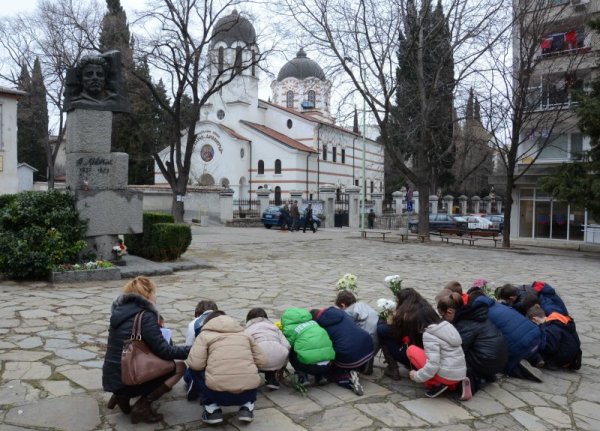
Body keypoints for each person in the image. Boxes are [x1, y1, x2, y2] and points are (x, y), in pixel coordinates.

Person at [102, 276, 189, 424]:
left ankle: (121, 397)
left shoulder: (119, 312)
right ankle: (142, 406)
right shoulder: (145, 316)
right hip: (128, 379)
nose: (156, 296)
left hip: (113, 377)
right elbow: (164, 351)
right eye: (154, 292)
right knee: (179, 367)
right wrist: (191, 349)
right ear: (148, 294)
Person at [186, 311, 267, 425]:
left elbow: (195, 365)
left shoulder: (204, 336)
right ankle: (247, 407)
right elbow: (262, 361)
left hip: (217, 394)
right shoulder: (245, 334)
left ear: (208, 323)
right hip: (247, 392)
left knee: (192, 369)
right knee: (252, 365)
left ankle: (212, 409)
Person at [391, 290, 468, 399]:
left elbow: (433, 364)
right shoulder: (447, 325)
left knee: (411, 350)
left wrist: (417, 376)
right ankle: (451, 384)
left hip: (447, 375)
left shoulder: (429, 334)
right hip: (460, 372)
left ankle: (437, 383)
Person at [437, 290, 509, 397]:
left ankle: (472, 381)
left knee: (454, 356)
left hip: (488, 361)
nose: (443, 320)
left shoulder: (464, 324)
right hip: (500, 359)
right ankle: (484, 376)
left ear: (450, 311)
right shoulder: (473, 314)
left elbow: (458, 349)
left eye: (442, 316)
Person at [468, 287, 543, 382]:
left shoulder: (482, 314)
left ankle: (520, 369)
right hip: (537, 336)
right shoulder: (500, 305)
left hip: (521, 347)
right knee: (521, 338)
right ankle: (536, 358)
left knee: (502, 364)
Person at [312, 306, 374, 395]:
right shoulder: (339, 312)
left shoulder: (320, 326)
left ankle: (346, 378)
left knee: (329, 369)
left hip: (348, 353)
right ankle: (361, 366)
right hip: (368, 345)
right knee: (346, 342)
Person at [281, 307, 335, 386]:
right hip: (327, 365)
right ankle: (320, 376)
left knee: (292, 351)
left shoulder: (291, 330)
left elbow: (287, 345)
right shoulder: (315, 324)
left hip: (309, 367)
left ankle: (303, 377)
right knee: (315, 347)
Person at [244, 307, 291, 390]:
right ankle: (271, 378)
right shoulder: (274, 328)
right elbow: (287, 345)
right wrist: (283, 362)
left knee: (250, 353)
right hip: (279, 360)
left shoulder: (248, 330)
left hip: (260, 362)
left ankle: (252, 379)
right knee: (271, 355)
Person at [335, 290, 379, 374]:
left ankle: (358, 363)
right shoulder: (363, 305)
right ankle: (367, 362)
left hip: (367, 341)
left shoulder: (348, 312)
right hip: (377, 336)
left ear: (343, 305)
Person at [527, 304, 582, 370]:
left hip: (563, 359)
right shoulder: (557, 320)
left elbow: (550, 348)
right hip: (574, 357)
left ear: (534, 319)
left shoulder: (550, 328)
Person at [184, 300, 219, 401]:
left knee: (187, 373)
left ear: (196, 313)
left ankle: (195, 380)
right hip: (224, 361)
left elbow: (188, 349)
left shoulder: (194, 324)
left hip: (204, 364)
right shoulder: (227, 321)